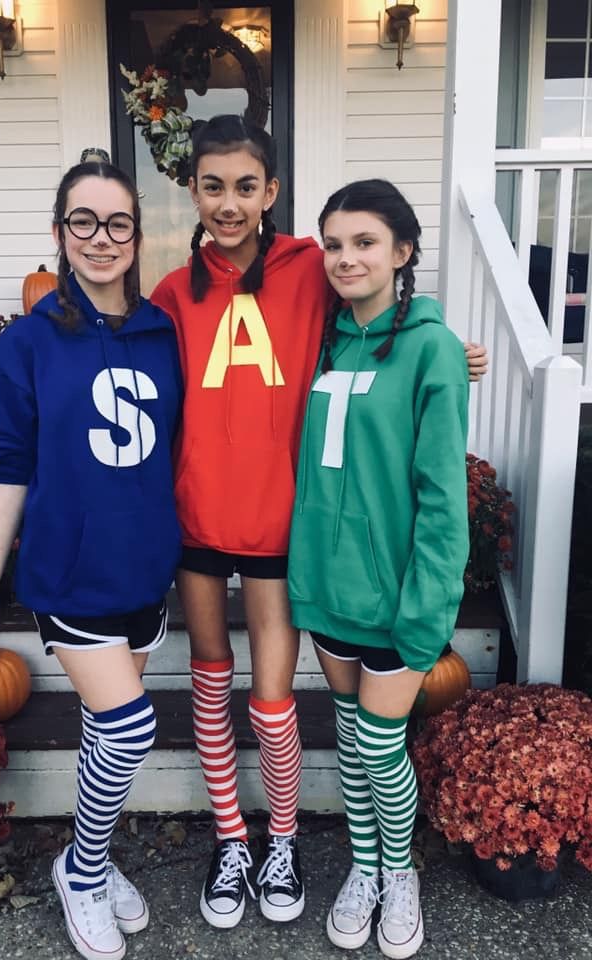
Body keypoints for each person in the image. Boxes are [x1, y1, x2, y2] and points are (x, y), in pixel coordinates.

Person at [151, 115, 486, 930]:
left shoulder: (309, 265)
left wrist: (440, 338)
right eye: (212, 186)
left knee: (272, 696)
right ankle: (233, 837)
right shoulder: (171, 291)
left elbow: (383, 306)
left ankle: (285, 839)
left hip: (279, 526)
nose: (228, 204)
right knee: (208, 676)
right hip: (198, 514)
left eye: (246, 186)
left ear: (272, 192)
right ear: (190, 191)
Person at [0, 161, 183, 960]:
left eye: (117, 223)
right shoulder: (27, 342)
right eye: (82, 221)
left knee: (99, 732)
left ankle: (92, 856)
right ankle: (81, 871)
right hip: (70, 569)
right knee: (128, 728)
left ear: (136, 236)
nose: (100, 239)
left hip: (144, 568)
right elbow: (9, 472)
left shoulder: (161, 333)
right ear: (58, 233)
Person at [287, 178, 470, 959]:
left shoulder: (432, 347)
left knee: (381, 746)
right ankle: (363, 869)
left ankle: (400, 873)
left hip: (397, 595)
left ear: (402, 252)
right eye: (332, 243)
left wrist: (428, 609)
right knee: (354, 740)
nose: (344, 257)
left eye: (364, 242)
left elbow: (442, 496)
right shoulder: (322, 340)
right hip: (326, 589)